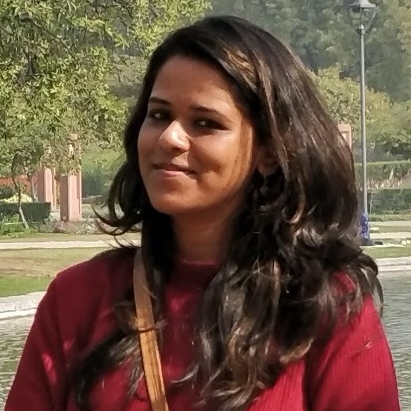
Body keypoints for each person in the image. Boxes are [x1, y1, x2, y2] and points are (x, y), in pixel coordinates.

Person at [5, 15, 400, 411]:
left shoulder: (323, 307)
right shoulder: (78, 299)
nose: (170, 137)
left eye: (205, 123)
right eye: (158, 114)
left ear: (269, 151)